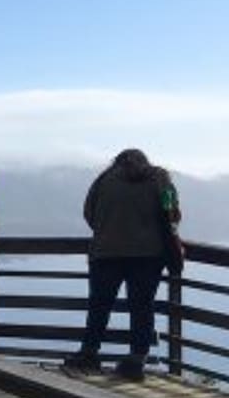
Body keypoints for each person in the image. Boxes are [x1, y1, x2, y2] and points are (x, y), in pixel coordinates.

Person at [63, 149, 181, 381]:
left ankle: (89, 353)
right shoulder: (160, 179)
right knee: (142, 307)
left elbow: (89, 212)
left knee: (99, 305)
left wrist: (109, 230)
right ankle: (137, 359)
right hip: (148, 255)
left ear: (116, 162)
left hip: (106, 253)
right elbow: (172, 212)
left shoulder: (104, 180)